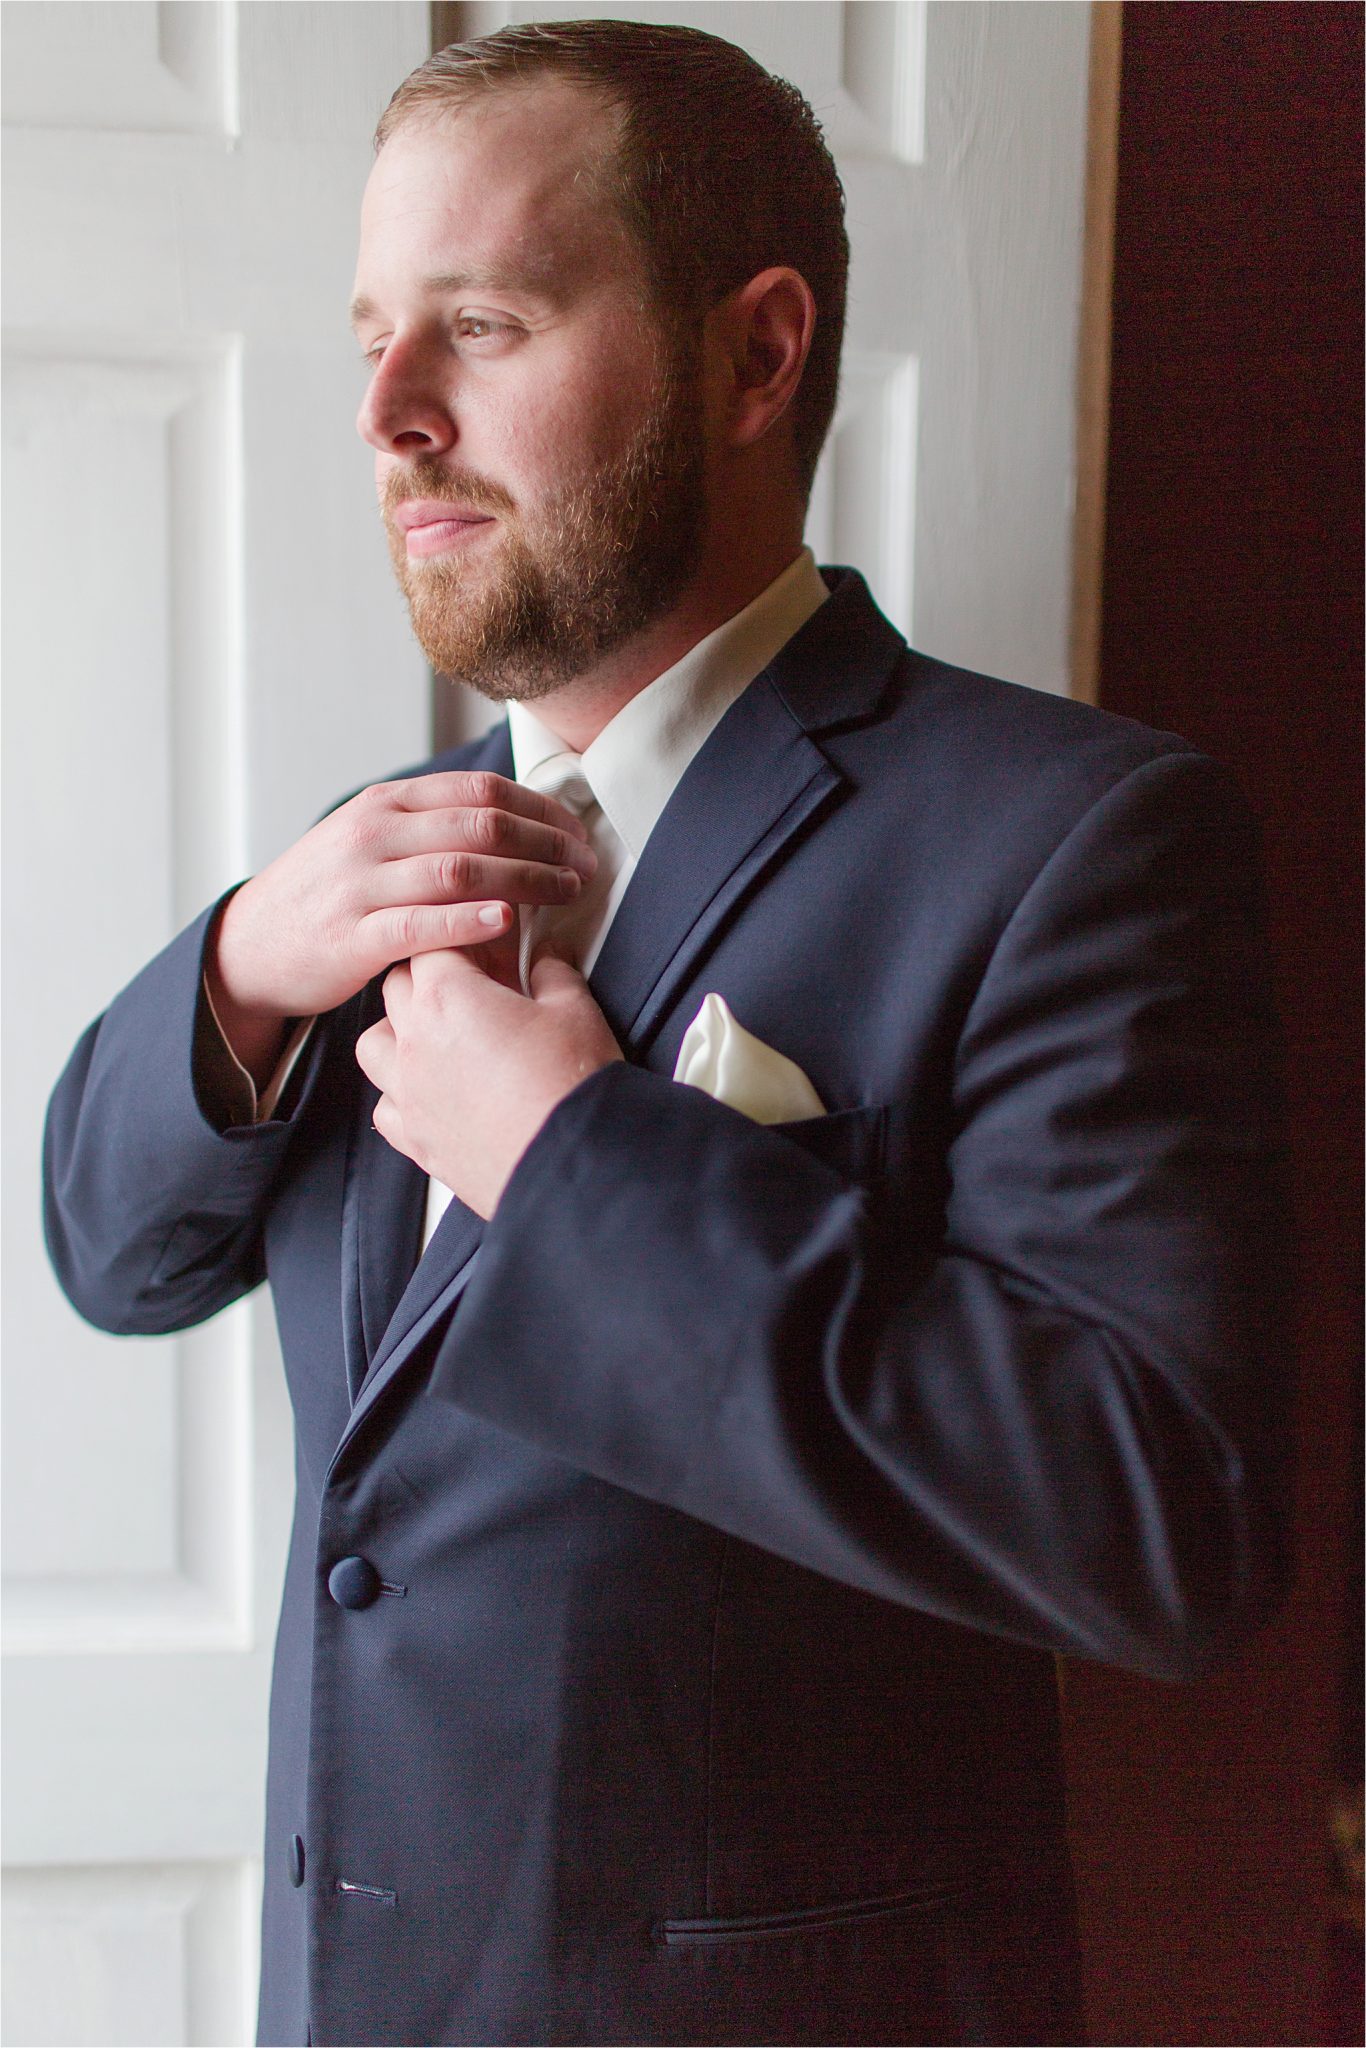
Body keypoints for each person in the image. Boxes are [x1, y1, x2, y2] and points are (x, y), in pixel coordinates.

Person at [43, 20, 1291, 2048]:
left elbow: (1163, 1527)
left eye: (481, 321)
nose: (384, 409)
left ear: (759, 352)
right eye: (369, 330)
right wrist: (238, 970)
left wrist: (577, 1169)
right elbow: (110, 1254)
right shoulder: (362, 871)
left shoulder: (1073, 839)